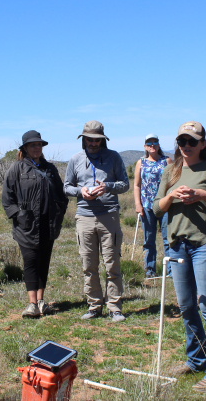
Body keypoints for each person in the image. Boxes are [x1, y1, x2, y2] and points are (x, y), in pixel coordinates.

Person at [153, 121, 206, 393]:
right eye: (182, 142)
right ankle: (196, 359)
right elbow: (156, 208)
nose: (186, 146)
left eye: (191, 141)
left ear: (203, 143)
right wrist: (172, 196)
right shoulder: (170, 170)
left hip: (204, 245)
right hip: (177, 246)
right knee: (187, 306)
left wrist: (203, 195)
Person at [63, 121, 129, 322]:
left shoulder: (114, 157)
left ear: (102, 140)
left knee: (112, 263)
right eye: (89, 139)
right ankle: (94, 305)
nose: (93, 143)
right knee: (88, 264)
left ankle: (114, 307)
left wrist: (107, 186)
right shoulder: (75, 160)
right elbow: (66, 187)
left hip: (109, 215)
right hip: (84, 216)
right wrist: (80, 191)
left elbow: (125, 184)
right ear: (83, 139)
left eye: (96, 140)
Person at [2, 130, 69, 318]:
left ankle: (41, 301)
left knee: (44, 261)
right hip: (27, 225)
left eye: (39, 144)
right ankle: (31, 303)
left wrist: (59, 212)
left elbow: (61, 195)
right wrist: (19, 215)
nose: (37, 148)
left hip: (48, 223)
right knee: (30, 261)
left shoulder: (50, 169)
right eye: (33, 145)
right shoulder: (17, 169)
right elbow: (8, 198)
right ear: (25, 148)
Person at [133, 134, 172, 278]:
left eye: (155, 142)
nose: (152, 145)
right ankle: (150, 269)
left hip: (165, 205)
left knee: (168, 239)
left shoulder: (166, 161)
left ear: (159, 144)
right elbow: (137, 185)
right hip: (147, 206)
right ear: (145, 147)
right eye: (149, 143)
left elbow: (173, 182)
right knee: (149, 239)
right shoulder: (141, 163)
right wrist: (138, 204)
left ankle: (171, 270)